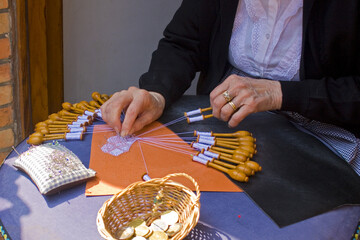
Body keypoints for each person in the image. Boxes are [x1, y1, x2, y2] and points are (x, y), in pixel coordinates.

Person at [101, 0, 360, 174]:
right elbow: (183, 42)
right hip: (224, 119)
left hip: (321, 124)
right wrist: (157, 93)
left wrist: (278, 93)